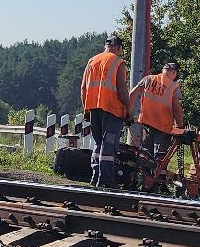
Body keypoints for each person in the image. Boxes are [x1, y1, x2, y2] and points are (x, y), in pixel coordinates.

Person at [79, 35, 130, 186]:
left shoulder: (92, 61)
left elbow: (83, 88)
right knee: (108, 144)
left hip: (93, 107)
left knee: (98, 143)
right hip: (112, 109)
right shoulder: (119, 63)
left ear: (105, 46)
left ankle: (95, 176)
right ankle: (105, 180)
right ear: (119, 48)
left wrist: (86, 109)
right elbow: (122, 89)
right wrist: (128, 111)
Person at [131, 61, 185, 162]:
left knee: (146, 153)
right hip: (163, 126)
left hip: (147, 122)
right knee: (160, 156)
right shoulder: (173, 86)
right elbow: (176, 108)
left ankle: (143, 175)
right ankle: (159, 176)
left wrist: (128, 112)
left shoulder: (148, 79)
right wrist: (180, 124)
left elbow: (133, 93)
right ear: (174, 73)